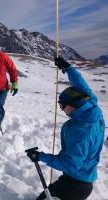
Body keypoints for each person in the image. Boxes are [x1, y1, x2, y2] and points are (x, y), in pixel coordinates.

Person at [26, 57, 105, 200]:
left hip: (75, 185)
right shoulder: (91, 108)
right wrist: (69, 69)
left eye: (62, 106)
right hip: (81, 178)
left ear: (74, 105)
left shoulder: (81, 133)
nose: (61, 109)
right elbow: (82, 88)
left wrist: (40, 156)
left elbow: (70, 165)